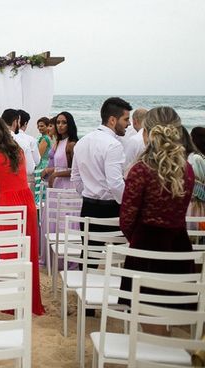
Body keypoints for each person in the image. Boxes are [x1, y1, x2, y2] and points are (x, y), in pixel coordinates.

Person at [119, 107, 195, 321]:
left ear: (148, 134)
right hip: (179, 246)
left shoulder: (141, 170)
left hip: (146, 249)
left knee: (147, 318)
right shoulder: (187, 169)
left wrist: (138, 239)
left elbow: (126, 219)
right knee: (173, 316)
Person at [0, 113, 45, 315]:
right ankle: (30, 301)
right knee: (28, 254)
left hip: (8, 204)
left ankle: (12, 302)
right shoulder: (18, 150)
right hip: (27, 202)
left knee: (10, 253)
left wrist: (4, 205)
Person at [71, 97, 132, 221]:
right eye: (126, 119)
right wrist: (128, 204)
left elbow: (76, 178)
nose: (129, 123)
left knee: (88, 241)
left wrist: (90, 194)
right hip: (110, 211)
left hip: (87, 209)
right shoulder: (113, 145)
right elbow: (115, 183)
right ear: (112, 120)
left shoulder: (82, 142)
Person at [40, 111, 79, 189]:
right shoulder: (58, 142)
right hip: (56, 184)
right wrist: (48, 171)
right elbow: (59, 167)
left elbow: (76, 170)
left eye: (64, 123)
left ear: (70, 125)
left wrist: (55, 174)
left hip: (68, 186)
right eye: (58, 123)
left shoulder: (71, 144)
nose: (60, 125)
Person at [0, 109, 36, 175]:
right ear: (15, 122)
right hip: (17, 179)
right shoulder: (23, 143)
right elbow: (30, 169)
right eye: (18, 122)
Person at [188, 127, 205, 217]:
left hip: (197, 203)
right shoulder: (200, 157)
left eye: (191, 137)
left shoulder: (196, 158)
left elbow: (197, 185)